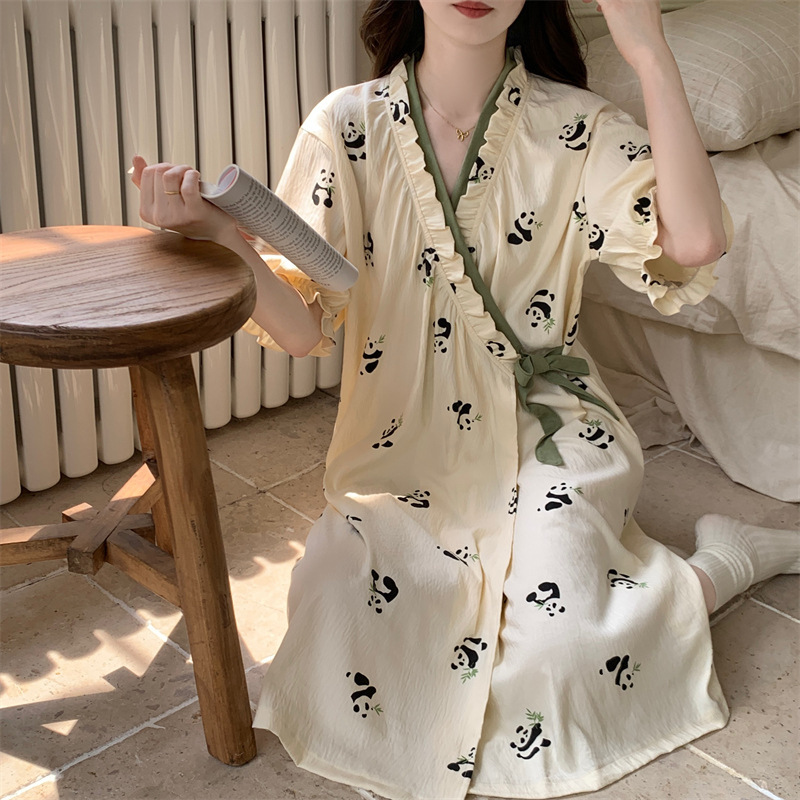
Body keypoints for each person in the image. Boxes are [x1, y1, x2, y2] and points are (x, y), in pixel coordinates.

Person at [131, 1, 799, 797]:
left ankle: (720, 565)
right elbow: (304, 328)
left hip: (547, 429)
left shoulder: (579, 125)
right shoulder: (345, 125)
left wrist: (649, 50)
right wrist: (220, 237)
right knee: (349, 631)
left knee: (560, 651)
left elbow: (693, 244)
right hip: (401, 444)